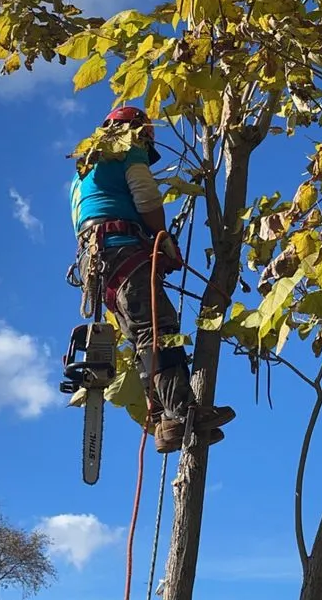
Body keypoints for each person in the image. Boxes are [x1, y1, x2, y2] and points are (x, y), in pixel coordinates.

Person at [70, 105, 235, 453]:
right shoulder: (127, 148)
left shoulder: (83, 172)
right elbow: (145, 196)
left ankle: (164, 422)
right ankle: (182, 411)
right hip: (119, 249)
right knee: (160, 329)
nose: (145, 143)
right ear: (135, 130)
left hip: (99, 262)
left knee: (145, 337)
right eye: (144, 136)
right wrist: (164, 238)